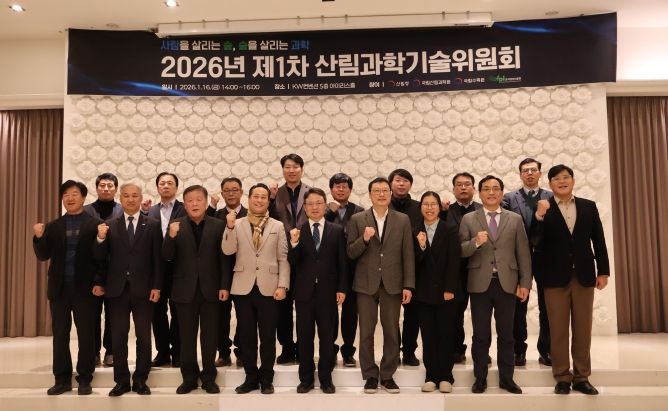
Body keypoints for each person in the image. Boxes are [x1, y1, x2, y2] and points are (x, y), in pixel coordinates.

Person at [531, 164, 610, 396]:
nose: (562, 181)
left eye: (566, 177)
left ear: (573, 181)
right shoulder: (543, 208)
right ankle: (562, 377)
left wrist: (603, 271)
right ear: (550, 184)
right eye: (556, 179)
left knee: (583, 329)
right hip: (554, 278)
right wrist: (539, 216)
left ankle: (582, 377)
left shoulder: (588, 206)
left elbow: (599, 240)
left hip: (584, 276)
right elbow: (534, 241)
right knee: (557, 330)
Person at [459, 175, 531, 394]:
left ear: (501, 192)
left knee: (506, 334)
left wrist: (525, 283)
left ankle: (507, 379)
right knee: (481, 335)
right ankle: (480, 378)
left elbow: (523, 253)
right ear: (479, 193)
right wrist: (475, 243)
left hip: (507, 283)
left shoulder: (514, 219)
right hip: (479, 284)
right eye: (486, 189)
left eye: (495, 188)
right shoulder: (469, 219)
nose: (491, 192)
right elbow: (460, 251)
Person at [93, 182, 163, 396]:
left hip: (144, 290)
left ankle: (141, 380)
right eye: (126, 196)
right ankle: (121, 381)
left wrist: (157, 286)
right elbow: (100, 259)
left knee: (144, 337)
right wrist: (100, 239)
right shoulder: (109, 225)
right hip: (117, 290)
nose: (130, 199)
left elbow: (158, 259)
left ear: (140, 198)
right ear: (120, 198)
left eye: (134, 195)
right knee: (118, 338)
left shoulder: (152, 225)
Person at [347, 177, 415, 394]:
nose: (381, 194)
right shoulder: (358, 219)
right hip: (365, 283)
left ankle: (387, 375)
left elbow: (408, 254)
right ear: (370, 195)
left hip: (393, 283)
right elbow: (350, 252)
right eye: (377, 191)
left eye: (385, 190)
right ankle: (369, 375)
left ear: (390, 193)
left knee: (392, 331)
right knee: (366, 331)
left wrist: (408, 285)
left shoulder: (402, 219)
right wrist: (364, 239)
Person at [32, 180, 100, 395]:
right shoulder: (54, 226)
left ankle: (85, 378)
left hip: (85, 289)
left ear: (83, 197)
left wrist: (99, 283)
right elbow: (43, 255)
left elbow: (102, 258)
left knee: (86, 334)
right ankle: (61, 379)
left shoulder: (95, 224)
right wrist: (38, 237)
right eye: (66, 195)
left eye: (74, 194)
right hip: (59, 288)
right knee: (60, 335)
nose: (70, 198)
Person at [222, 183, 290, 395]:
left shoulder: (278, 226)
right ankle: (250, 377)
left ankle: (267, 378)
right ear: (248, 198)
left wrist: (282, 285)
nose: (259, 200)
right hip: (243, 287)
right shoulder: (236, 223)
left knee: (268, 336)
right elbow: (228, 250)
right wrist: (229, 227)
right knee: (246, 336)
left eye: (263, 197)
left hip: (270, 287)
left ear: (268, 200)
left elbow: (283, 258)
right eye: (256, 196)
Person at [162, 185, 228, 395]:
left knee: (210, 336)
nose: (195, 203)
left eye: (199, 199)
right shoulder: (176, 225)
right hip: (184, 290)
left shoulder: (218, 225)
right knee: (186, 337)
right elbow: (167, 256)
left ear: (206, 202)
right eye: (190, 200)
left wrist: (224, 285)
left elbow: (224, 259)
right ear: (185, 204)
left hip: (211, 289)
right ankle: (189, 378)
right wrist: (170, 237)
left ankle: (209, 377)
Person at [289, 187, 348, 394]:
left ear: (325, 205)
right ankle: (305, 379)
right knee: (304, 337)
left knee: (327, 338)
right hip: (304, 293)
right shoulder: (297, 231)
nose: (314, 207)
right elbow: (292, 263)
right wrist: (294, 244)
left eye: (318, 203)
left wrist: (342, 288)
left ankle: (325, 378)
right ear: (304, 208)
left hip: (328, 292)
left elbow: (342, 263)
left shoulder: (337, 230)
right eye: (310, 204)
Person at [502, 158, 553, 367]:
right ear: (520, 174)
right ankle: (518, 351)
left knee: (547, 306)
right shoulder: (508, 198)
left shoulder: (551, 197)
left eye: (533, 170)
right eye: (525, 170)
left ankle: (546, 350)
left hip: (546, 257)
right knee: (518, 306)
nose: (529, 173)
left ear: (540, 173)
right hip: (517, 258)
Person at [413, 191, 460, 393]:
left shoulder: (449, 229)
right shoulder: (415, 230)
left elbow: (454, 261)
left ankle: (446, 376)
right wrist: (422, 246)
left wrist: (450, 288)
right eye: (426, 204)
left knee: (446, 334)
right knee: (428, 335)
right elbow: (412, 262)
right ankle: (431, 375)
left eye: (433, 204)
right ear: (420, 207)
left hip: (445, 292)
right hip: (423, 292)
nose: (430, 208)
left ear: (439, 207)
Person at [269, 153, 310, 364]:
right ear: (283, 170)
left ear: (302, 169)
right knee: (282, 306)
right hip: (281, 255)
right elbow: (267, 217)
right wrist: (270, 198)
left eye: (295, 166)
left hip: (305, 256)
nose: (291, 170)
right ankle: (286, 347)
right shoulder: (275, 194)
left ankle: (303, 347)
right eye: (287, 166)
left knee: (304, 305)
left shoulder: (311, 192)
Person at [143, 172, 186, 368]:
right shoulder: (149, 211)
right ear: (157, 187)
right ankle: (162, 352)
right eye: (162, 183)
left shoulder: (185, 209)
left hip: (178, 268)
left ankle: (178, 352)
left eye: (170, 183)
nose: (166, 186)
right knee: (156, 312)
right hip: (154, 270)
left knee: (178, 312)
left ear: (176, 187)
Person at [325, 172, 364, 367]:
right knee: (329, 312)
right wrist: (329, 213)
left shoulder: (359, 211)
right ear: (331, 189)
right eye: (337, 186)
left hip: (352, 268)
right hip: (329, 269)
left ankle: (348, 351)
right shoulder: (321, 209)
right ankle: (330, 350)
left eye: (344, 186)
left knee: (350, 313)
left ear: (350, 189)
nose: (341, 189)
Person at [207, 177, 247, 367]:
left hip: (244, 272)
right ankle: (223, 352)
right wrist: (211, 206)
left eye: (235, 190)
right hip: (220, 272)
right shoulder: (215, 215)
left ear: (241, 192)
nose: (231, 193)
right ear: (222, 194)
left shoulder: (250, 214)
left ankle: (242, 351)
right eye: (227, 190)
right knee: (220, 316)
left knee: (244, 315)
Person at [84, 172, 122, 367]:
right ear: (97, 188)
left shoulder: (122, 210)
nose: (106, 189)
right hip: (91, 272)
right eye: (102, 185)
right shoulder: (86, 211)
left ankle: (111, 351)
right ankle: (93, 352)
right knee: (91, 315)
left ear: (115, 189)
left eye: (110, 185)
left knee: (113, 315)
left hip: (116, 272)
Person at [445, 172, 483, 364]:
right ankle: (456, 349)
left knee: (481, 314)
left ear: (474, 188)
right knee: (454, 313)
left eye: (467, 184)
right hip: (455, 271)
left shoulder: (484, 210)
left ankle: (481, 352)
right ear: (453, 189)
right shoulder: (445, 211)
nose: (463, 187)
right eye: (459, 184)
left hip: (480, 268)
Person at [388, 169, 421, 366]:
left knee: (413, 314)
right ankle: (392, 351)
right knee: (391, 315)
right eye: (398, 180)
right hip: (389, 268)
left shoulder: (419, 207)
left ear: (410, 184)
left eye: (405, 181)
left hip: (414, 267)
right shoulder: (382, 206)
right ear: (390, 184)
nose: (401, 184)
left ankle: (409, 351)